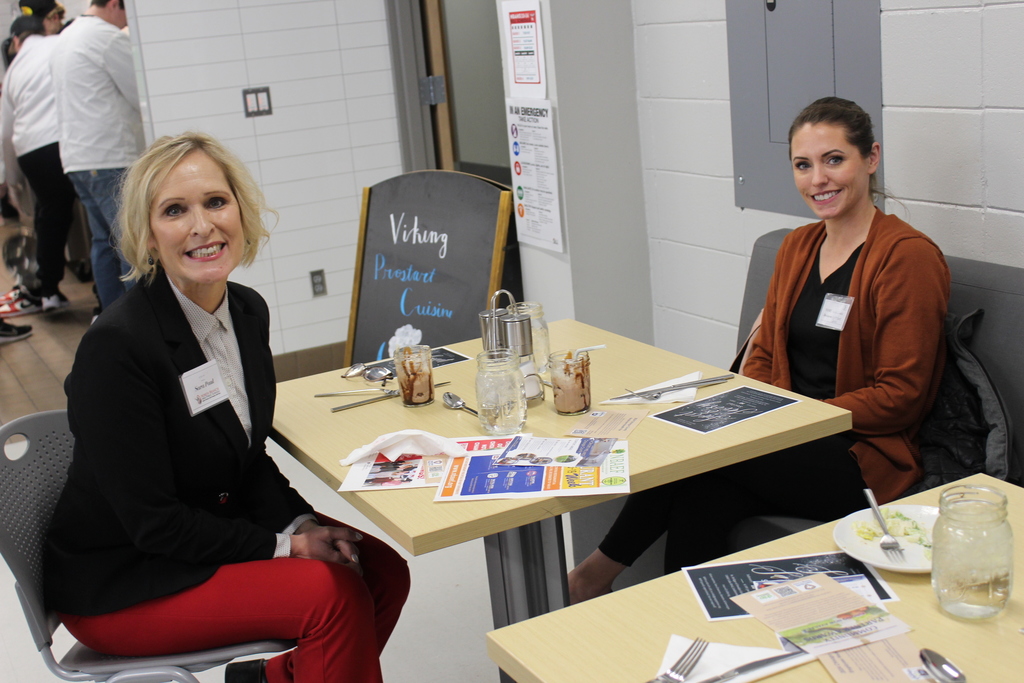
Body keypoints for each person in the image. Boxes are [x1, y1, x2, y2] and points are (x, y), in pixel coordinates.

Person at [45, 132, 410, 683]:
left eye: (216, 202)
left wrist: (301, 521)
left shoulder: (245, 311)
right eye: (174, 210)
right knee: (330, 592)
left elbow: (245, 456)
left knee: (381, 571)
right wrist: (286, 547)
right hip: (125, 579)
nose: (202, 226)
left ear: (241, 210)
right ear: (147, 237)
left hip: (202, 525)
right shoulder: (119, 347)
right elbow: (153, 524)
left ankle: (279, 678)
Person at [568, 97, 950, 604]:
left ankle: (590, 577)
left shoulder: (907, 257)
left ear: (871, 158)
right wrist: (766, 415)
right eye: (803, 164)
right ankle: (681, 627)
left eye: (834, 159)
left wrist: (790, 419)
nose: (819, 179)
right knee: (701, 496)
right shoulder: (796, 247)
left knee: (702, 453)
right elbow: (766, 357)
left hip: (861, 458)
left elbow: (902, 395)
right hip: (786, 438)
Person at [49, 0, 142, 312]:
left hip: (78, 160)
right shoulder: (107, 37)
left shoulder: (66, 36)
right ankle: (142, 330)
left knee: (105, 244)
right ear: (115, 3)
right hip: (110, 158)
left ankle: (113, 323)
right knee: (132, 246)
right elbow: (140, 93)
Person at [0, 15, 77, 317]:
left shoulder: (15, 69)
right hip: (67, 140)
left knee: (51, 216)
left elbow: (5, 132)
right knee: (99, 219)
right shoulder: (60, 44)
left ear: (17, 41)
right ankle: (106, 297)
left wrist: (10, 181)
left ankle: (49, 291)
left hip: (31, 151)